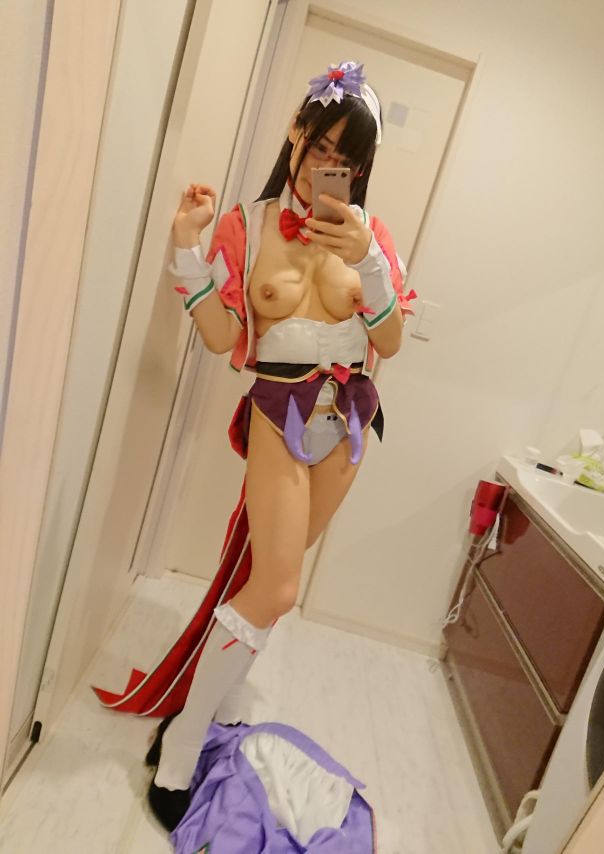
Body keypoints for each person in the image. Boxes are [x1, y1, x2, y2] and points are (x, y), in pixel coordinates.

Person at [147, 60, 418, 831]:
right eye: (321, 146)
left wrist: (367, 260)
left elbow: (389, 342)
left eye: (348, 160)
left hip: (349, 419)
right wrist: (187, 251)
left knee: (275, 579)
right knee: (277, 588)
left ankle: (224, 701)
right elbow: (222, 336)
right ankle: (180, 747)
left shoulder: (372, 237)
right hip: (279, 410)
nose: (330, 166)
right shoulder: (247, 225)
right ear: (296, 132)